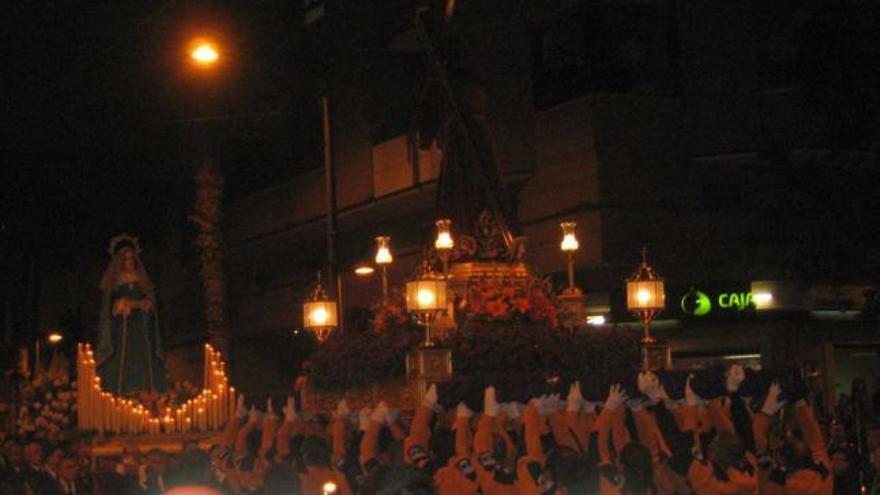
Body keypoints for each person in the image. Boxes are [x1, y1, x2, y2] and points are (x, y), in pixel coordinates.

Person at [95, 235, 168, 395]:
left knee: (144, 355)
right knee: (123, 357)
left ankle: (147, 390)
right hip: (122, 329)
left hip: (142, 327)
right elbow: (113, 308)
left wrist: (142, 304)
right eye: (126, 259)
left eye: (132, 259)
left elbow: (150, 303)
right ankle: (123, 390)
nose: (130, 262)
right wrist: (127, 304)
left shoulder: (143, 282)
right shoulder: (113, 285)